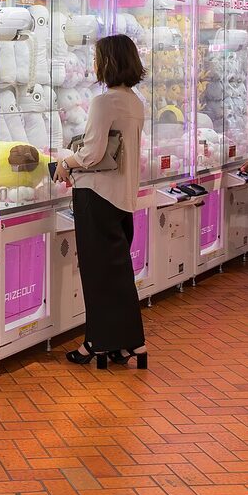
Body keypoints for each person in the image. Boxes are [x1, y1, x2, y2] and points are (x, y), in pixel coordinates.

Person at [54, 35, 147, 370]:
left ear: (107, 62)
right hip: (123, 197)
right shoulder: (135, 101)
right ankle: (129, 344)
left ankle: (97, 342)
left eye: (97, 58)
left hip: (96, 195)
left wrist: (66, 162)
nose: (94, 65)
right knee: (118, 273)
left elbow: (92, 154)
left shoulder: (103, 102)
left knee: (97, 274)